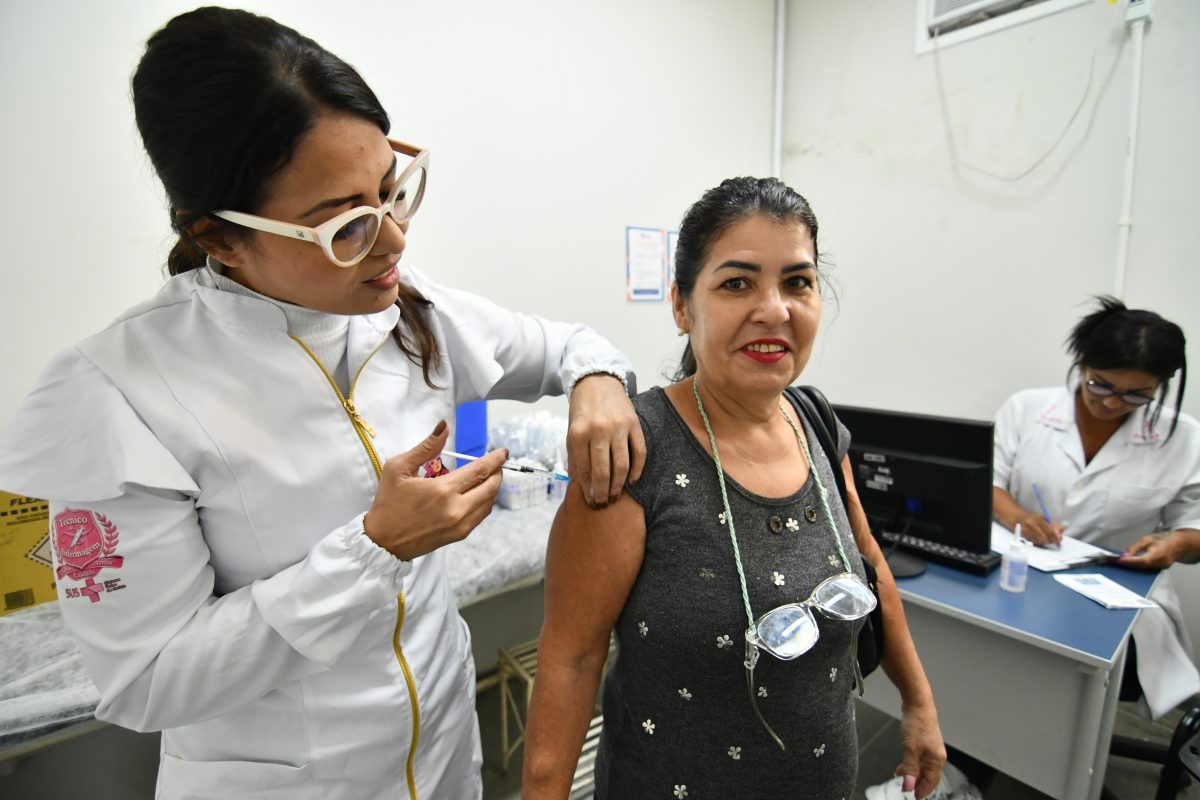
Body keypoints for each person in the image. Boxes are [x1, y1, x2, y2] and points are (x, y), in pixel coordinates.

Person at [0, 8, 644, 799]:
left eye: (392, 192)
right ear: (219, 236)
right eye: (345, 225)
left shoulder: (410, 309)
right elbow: (147, 682)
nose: (394, 240)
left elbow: (571, 346)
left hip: (446, 764)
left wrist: (598, 384)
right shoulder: (124, 392)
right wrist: (374, 549)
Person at [522, 177, 946, 798]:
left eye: (797, 282)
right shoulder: (636, 450)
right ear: (682, 306)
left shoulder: (817, 424)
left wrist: (919, 702)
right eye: (737, 283)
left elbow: (870, 565)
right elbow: (571, 660)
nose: (774, 310)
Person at [992, 296, 1200, 719]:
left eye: (1136, 395)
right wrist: (1020, 518)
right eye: (1100, 384)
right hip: (1019, 577)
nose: (1111, 403)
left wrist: (1175, 546)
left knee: (1056, 684)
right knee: (996, 660)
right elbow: (989, 483)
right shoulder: (1027, 409)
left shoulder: (1183, 437)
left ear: (1161, 385)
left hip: (1117, 598)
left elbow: (1193, 527)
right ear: (1083, 363)